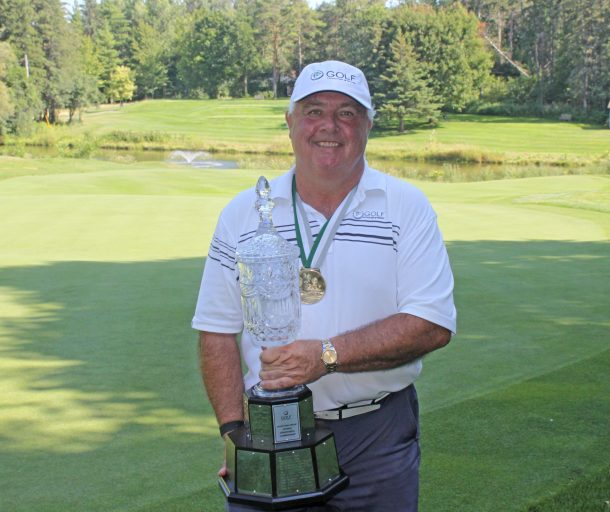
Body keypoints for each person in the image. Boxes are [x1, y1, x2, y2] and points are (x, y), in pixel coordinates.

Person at [192, 60, 457, 511]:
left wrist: (326, 356)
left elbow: (432, 323)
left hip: (377, 433)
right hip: (269, 430)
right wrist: (234, 431)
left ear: (368, 125)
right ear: (290, 121)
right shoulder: (243, 213)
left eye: (347, 113)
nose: (329, 126)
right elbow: (216, 329)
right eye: (314, 111)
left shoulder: (405, 207)